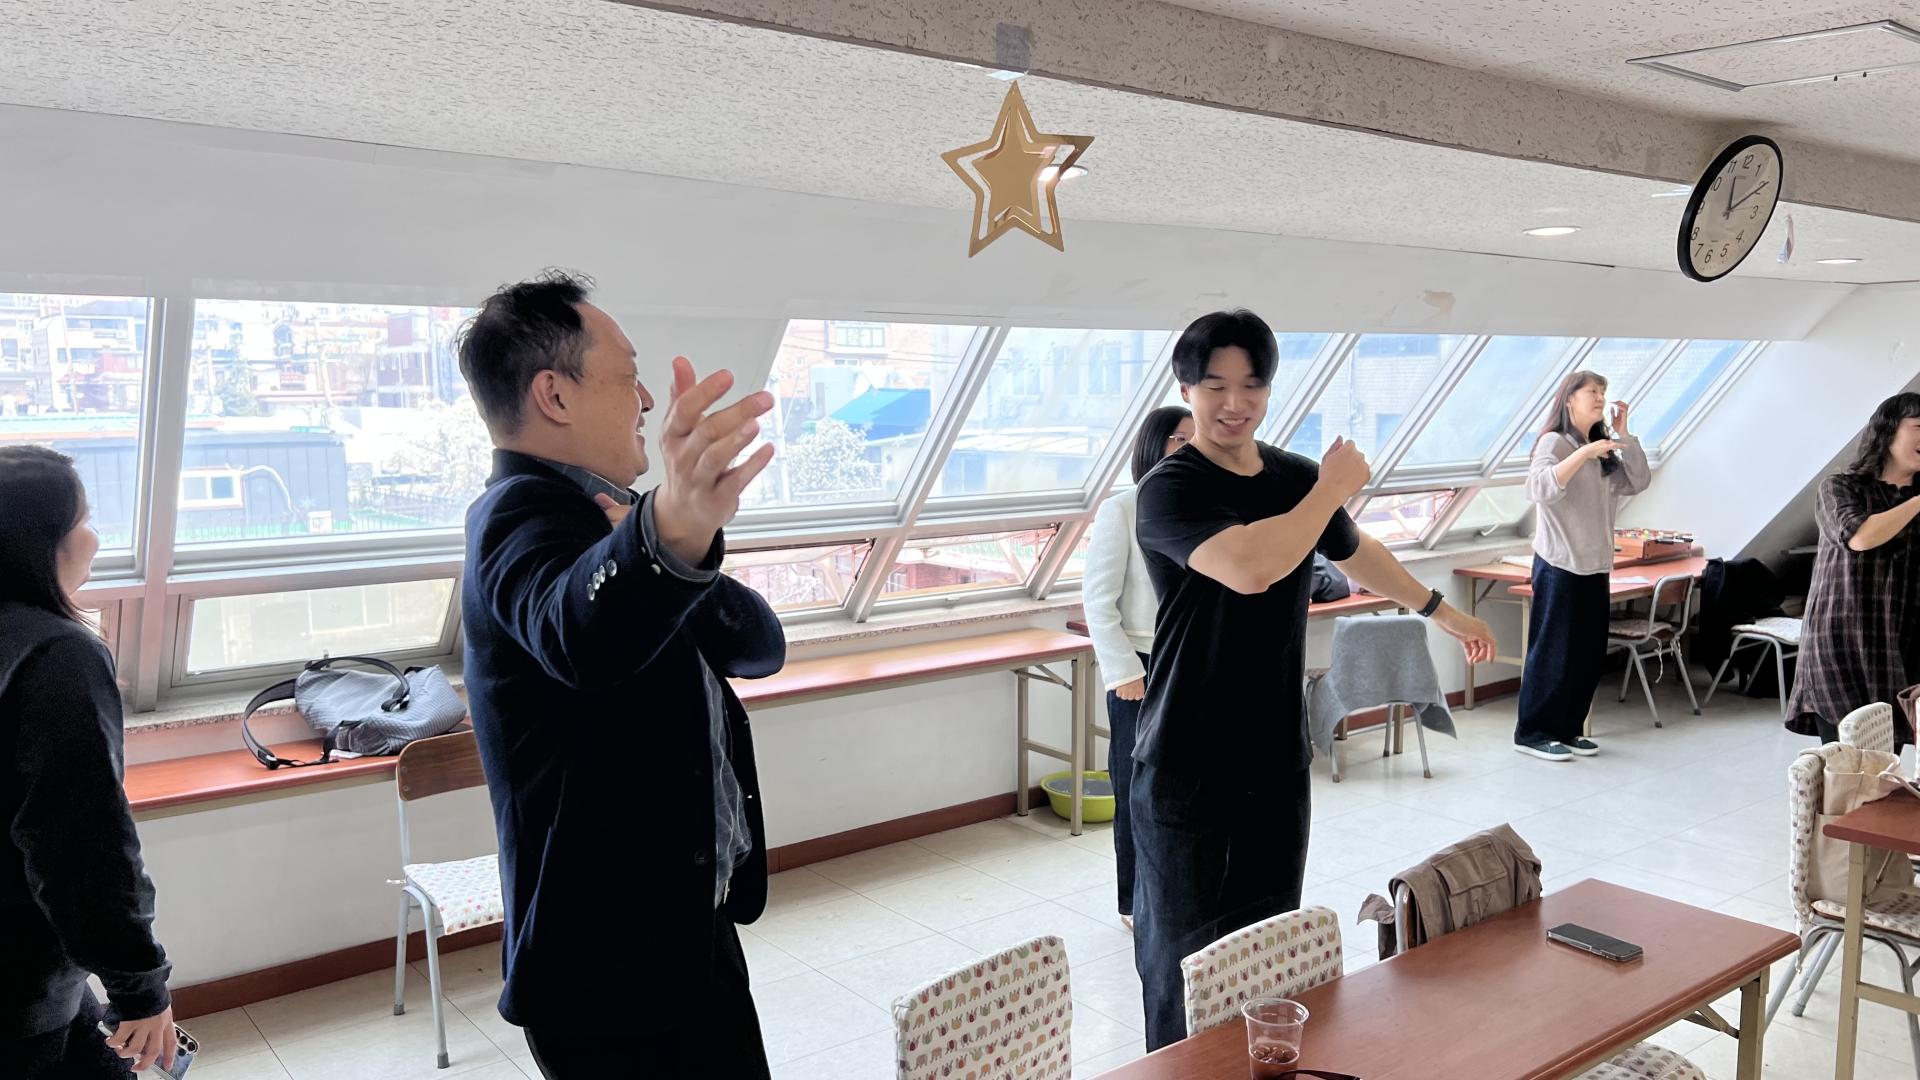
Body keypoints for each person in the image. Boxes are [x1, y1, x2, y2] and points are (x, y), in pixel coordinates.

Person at [1129, 310, 1495, 1050]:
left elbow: (1357, 552)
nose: (1235, 403)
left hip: (1274, 754)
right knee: (1183, 961)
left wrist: (1440, 609)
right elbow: (1251, 567)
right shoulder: (1170, 488)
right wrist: (1329, 490)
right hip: (1186, 759)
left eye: (1252, 386)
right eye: (1215, 386)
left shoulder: (1296, 479)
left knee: (1268, 945)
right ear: (1186, 388)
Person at [457, 272, 784, 1079]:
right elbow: (576, 634)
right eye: (627, 375)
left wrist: (672, 537)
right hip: (603, 967)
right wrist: (664, 534)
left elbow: (759, 648)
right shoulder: (515, 517)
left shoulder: (624, 516)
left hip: (691, 926)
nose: (644, 400)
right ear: (554, 395)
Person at [0, 445, 176, 1079]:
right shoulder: (56, 655)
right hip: (19, 981)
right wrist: (141, 988)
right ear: (38, 540)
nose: (94, 537)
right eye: (84, 519)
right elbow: (81, 843)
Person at [1082, 404, 1193, 932]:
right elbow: (1097, 601)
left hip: (1194, 661)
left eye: (1197, 438)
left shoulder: (1207, 507)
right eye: (1180, 439)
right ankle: (1133, 901)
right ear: (1154, 445)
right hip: (1141, 668)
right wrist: (1124, 671)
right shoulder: (1122, 510)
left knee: (1187, 787)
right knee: (1136, 789)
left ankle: (1181, 890)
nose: (1191, 448)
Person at [1514, 370, 1651, 761]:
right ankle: (1533, 733)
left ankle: (1568, 728)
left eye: (1603, 392)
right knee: (1552, 652)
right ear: (1569, 398)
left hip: (1595, 565)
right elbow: (1539, 487)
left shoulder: (1600, 445)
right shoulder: (1554, 442)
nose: (1600, 398)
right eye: (1592, 391)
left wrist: (1624, 436)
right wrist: (1583, 455)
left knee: (1587, 655)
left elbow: (1638, 481)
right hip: (1560, 563)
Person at [1787, 392, 1920, 746]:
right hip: (1840, 646)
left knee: (1885, 761)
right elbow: (1860, 536)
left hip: (1900, 646)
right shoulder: (1839, 487)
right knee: (1847, 763)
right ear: (1887, 432)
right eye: (1919, 427)